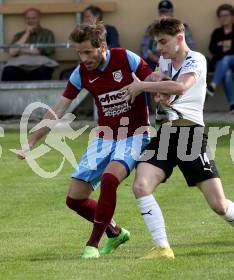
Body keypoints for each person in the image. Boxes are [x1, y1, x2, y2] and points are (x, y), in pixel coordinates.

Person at [122, 17, 234, 259]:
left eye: (163, 42)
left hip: (190, 135)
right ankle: (163, 248)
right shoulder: (165, 61)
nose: (159, 48)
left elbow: (180, 87)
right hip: (165, 134)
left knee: (218, 204)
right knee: (141, 185)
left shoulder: (195, 59)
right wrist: (157, 88)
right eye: (157, 43)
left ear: (180, 38)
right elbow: (165, 88)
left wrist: (143, 86)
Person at [16, 22, 153, 259]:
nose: (84, 58)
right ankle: (116, 232)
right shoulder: (80, 73)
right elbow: (57, 110)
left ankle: (92, 244)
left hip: (135, 134)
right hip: (104, 137)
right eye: (79, 52)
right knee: (75, 199)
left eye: (88, 52)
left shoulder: (125, 58)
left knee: (110, 179)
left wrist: (146, 88)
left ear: (103, 46)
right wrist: (32, 140)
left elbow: (154, 80)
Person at [207, 4, 234, 113]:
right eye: (221, 16)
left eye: (226, 15)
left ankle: (213, 85)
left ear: (233, 17)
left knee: (226, 59)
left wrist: (222, 45)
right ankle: (233, 105)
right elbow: (212, 48)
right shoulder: (216, 32)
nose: (224, 18)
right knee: (227, 72)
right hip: (219, 63)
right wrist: (229, 44)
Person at [2, 8, 58, 81]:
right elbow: (12, 52)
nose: (30, 21)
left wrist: (21, 49)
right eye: (28, 18)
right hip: (20, 67)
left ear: (39, 19)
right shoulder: (19, 35)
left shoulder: (47, 34)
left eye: (33, 18)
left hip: (40, 66)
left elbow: (44, 50)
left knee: (43, 71)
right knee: (9, 71)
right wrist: (27, 34)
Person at [141, 0, 195, 70]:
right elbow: (145, 50)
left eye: (167, 12)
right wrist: (159, 60)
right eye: (162, 12)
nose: (164, 15)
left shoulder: (181, 27)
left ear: (172, 13)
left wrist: (175, 60)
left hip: (178, 61)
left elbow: (191, 48)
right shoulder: (152, 28)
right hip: (155, 61)